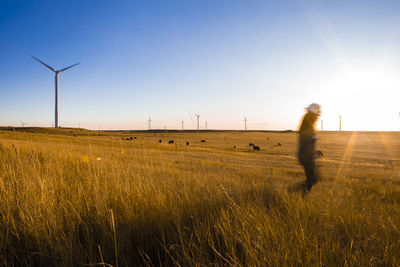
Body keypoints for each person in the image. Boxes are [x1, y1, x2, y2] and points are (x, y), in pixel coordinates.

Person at [298, 103, 322, 192]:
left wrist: (314, 151)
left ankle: (299, 193)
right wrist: (312, 152)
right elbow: (306, 142)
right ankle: (295, 191)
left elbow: (308, 142)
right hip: (306, 156)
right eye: (317, 115)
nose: (317, 117)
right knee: (312, 179)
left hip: (307, 155)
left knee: (313, 179)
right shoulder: (307, 125)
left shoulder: (308, 124)